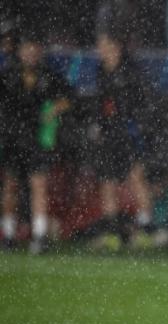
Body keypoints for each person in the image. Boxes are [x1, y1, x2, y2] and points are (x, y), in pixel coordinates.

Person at [0, 32, 73, 253]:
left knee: (38, 186)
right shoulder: (8, 75)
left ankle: (39, 237)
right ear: (20, 51)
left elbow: (68, 99)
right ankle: (9, 236)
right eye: (27, 49)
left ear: (39, 52)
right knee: (11, 186)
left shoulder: (49, 76)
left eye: (34, 49)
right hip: (12, 138)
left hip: (36, 139)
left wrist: (52, 112)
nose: (31, 54)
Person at [87, 32, 154, 250]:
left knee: (136, 177)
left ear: (115, 47)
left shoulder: (130, 72)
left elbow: (143, 101)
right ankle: (112, 232)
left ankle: (145, 229)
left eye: (105, 45)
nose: (101, 51)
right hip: (108, 134)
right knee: (107, 182)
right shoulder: (101, 72)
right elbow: (100, 103)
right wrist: (98, 125)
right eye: (100, 46)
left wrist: (138, 126)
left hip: (128, 132)